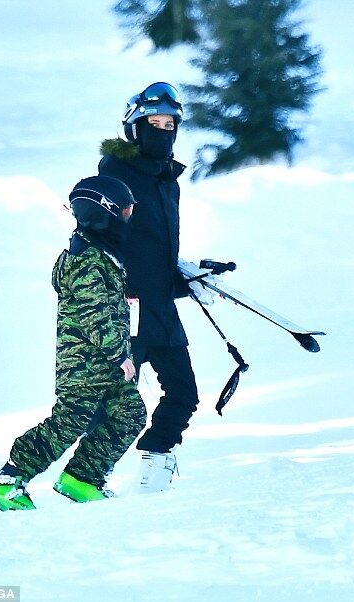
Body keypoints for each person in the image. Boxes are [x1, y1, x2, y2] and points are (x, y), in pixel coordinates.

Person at [0, 175, 146, 510]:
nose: (129, 219)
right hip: (84, 363)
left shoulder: (100, 254)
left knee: (130, 413)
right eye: (125, 212)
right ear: (105, 214)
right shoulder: (86, 261)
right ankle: (7, 481)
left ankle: (83, 478)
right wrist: (120, 355)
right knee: (68, 422)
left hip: (102, 364)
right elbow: (93, 315)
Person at [97, 82, 200, 491]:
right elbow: (99, 237)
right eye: (153, 123)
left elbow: (152, 243)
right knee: (113, 404)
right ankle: (86, 478)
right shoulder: (115, 173)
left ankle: (154, 473)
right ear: (134, 128)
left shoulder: (166, 179)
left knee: (183, 393)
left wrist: (183, 275)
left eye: (169, 124)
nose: (163, 130)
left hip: (159, 306)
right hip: (126, 307)